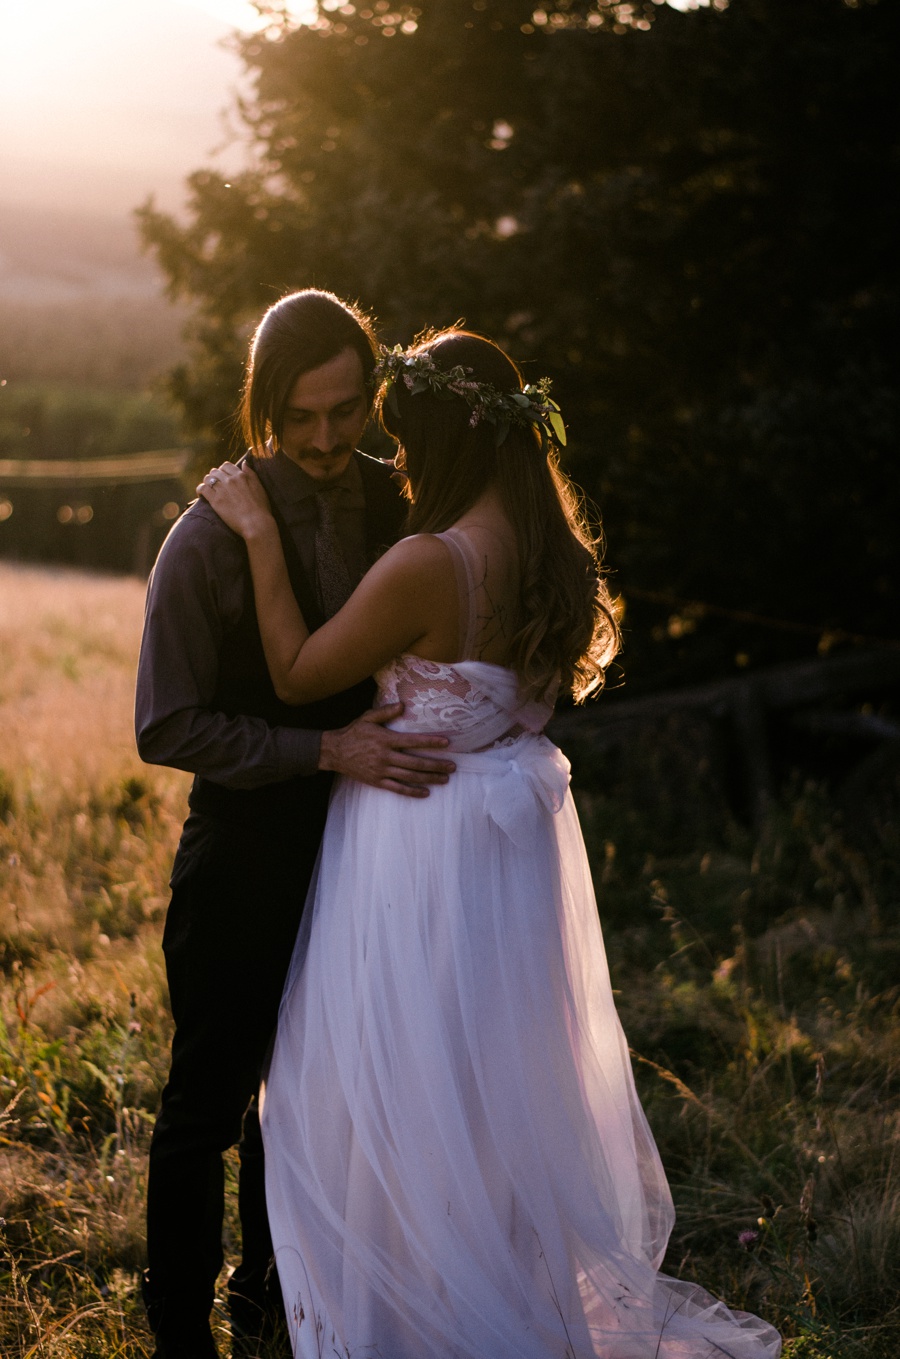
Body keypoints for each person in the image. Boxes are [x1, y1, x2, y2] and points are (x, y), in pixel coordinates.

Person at [198, 329, 782, 1358]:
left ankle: (420, 1312)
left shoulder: (431, 562)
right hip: (507, 851)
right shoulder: (551, 545)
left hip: (418, 848)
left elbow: (294, 674)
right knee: (490, 1084)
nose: (401, 465)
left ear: (445, 441)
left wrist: (253, 532)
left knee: (405, 1080)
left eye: (406, 442)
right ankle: (511, 1288)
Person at [134, 289, 455, 1359]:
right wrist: (322, 749)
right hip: (243, 858)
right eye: (300, 417)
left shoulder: (402, 503)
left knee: (316, 1103)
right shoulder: (207, 537)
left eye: (347, 412)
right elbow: (166, 722)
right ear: (264, 405)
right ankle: (179, 1333)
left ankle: (277, 1313)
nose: (324, 441)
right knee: (207, 1110)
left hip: (373, 855)